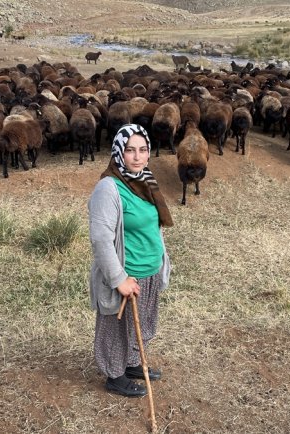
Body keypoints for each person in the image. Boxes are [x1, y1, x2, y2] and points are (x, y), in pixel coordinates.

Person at [88, 124, 174, 397]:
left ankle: (133, 362)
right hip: (126, 273)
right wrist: (118, 279)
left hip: (149, 271)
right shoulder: (109, 187)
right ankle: (115, 375)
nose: (137, 156)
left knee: (143, 323)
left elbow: (153, 226)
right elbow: (101, 239)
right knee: (115, 327)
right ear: (118, 153)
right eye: (130, 150)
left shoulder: (146, 181)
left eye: (143, 150)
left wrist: (160, 262)